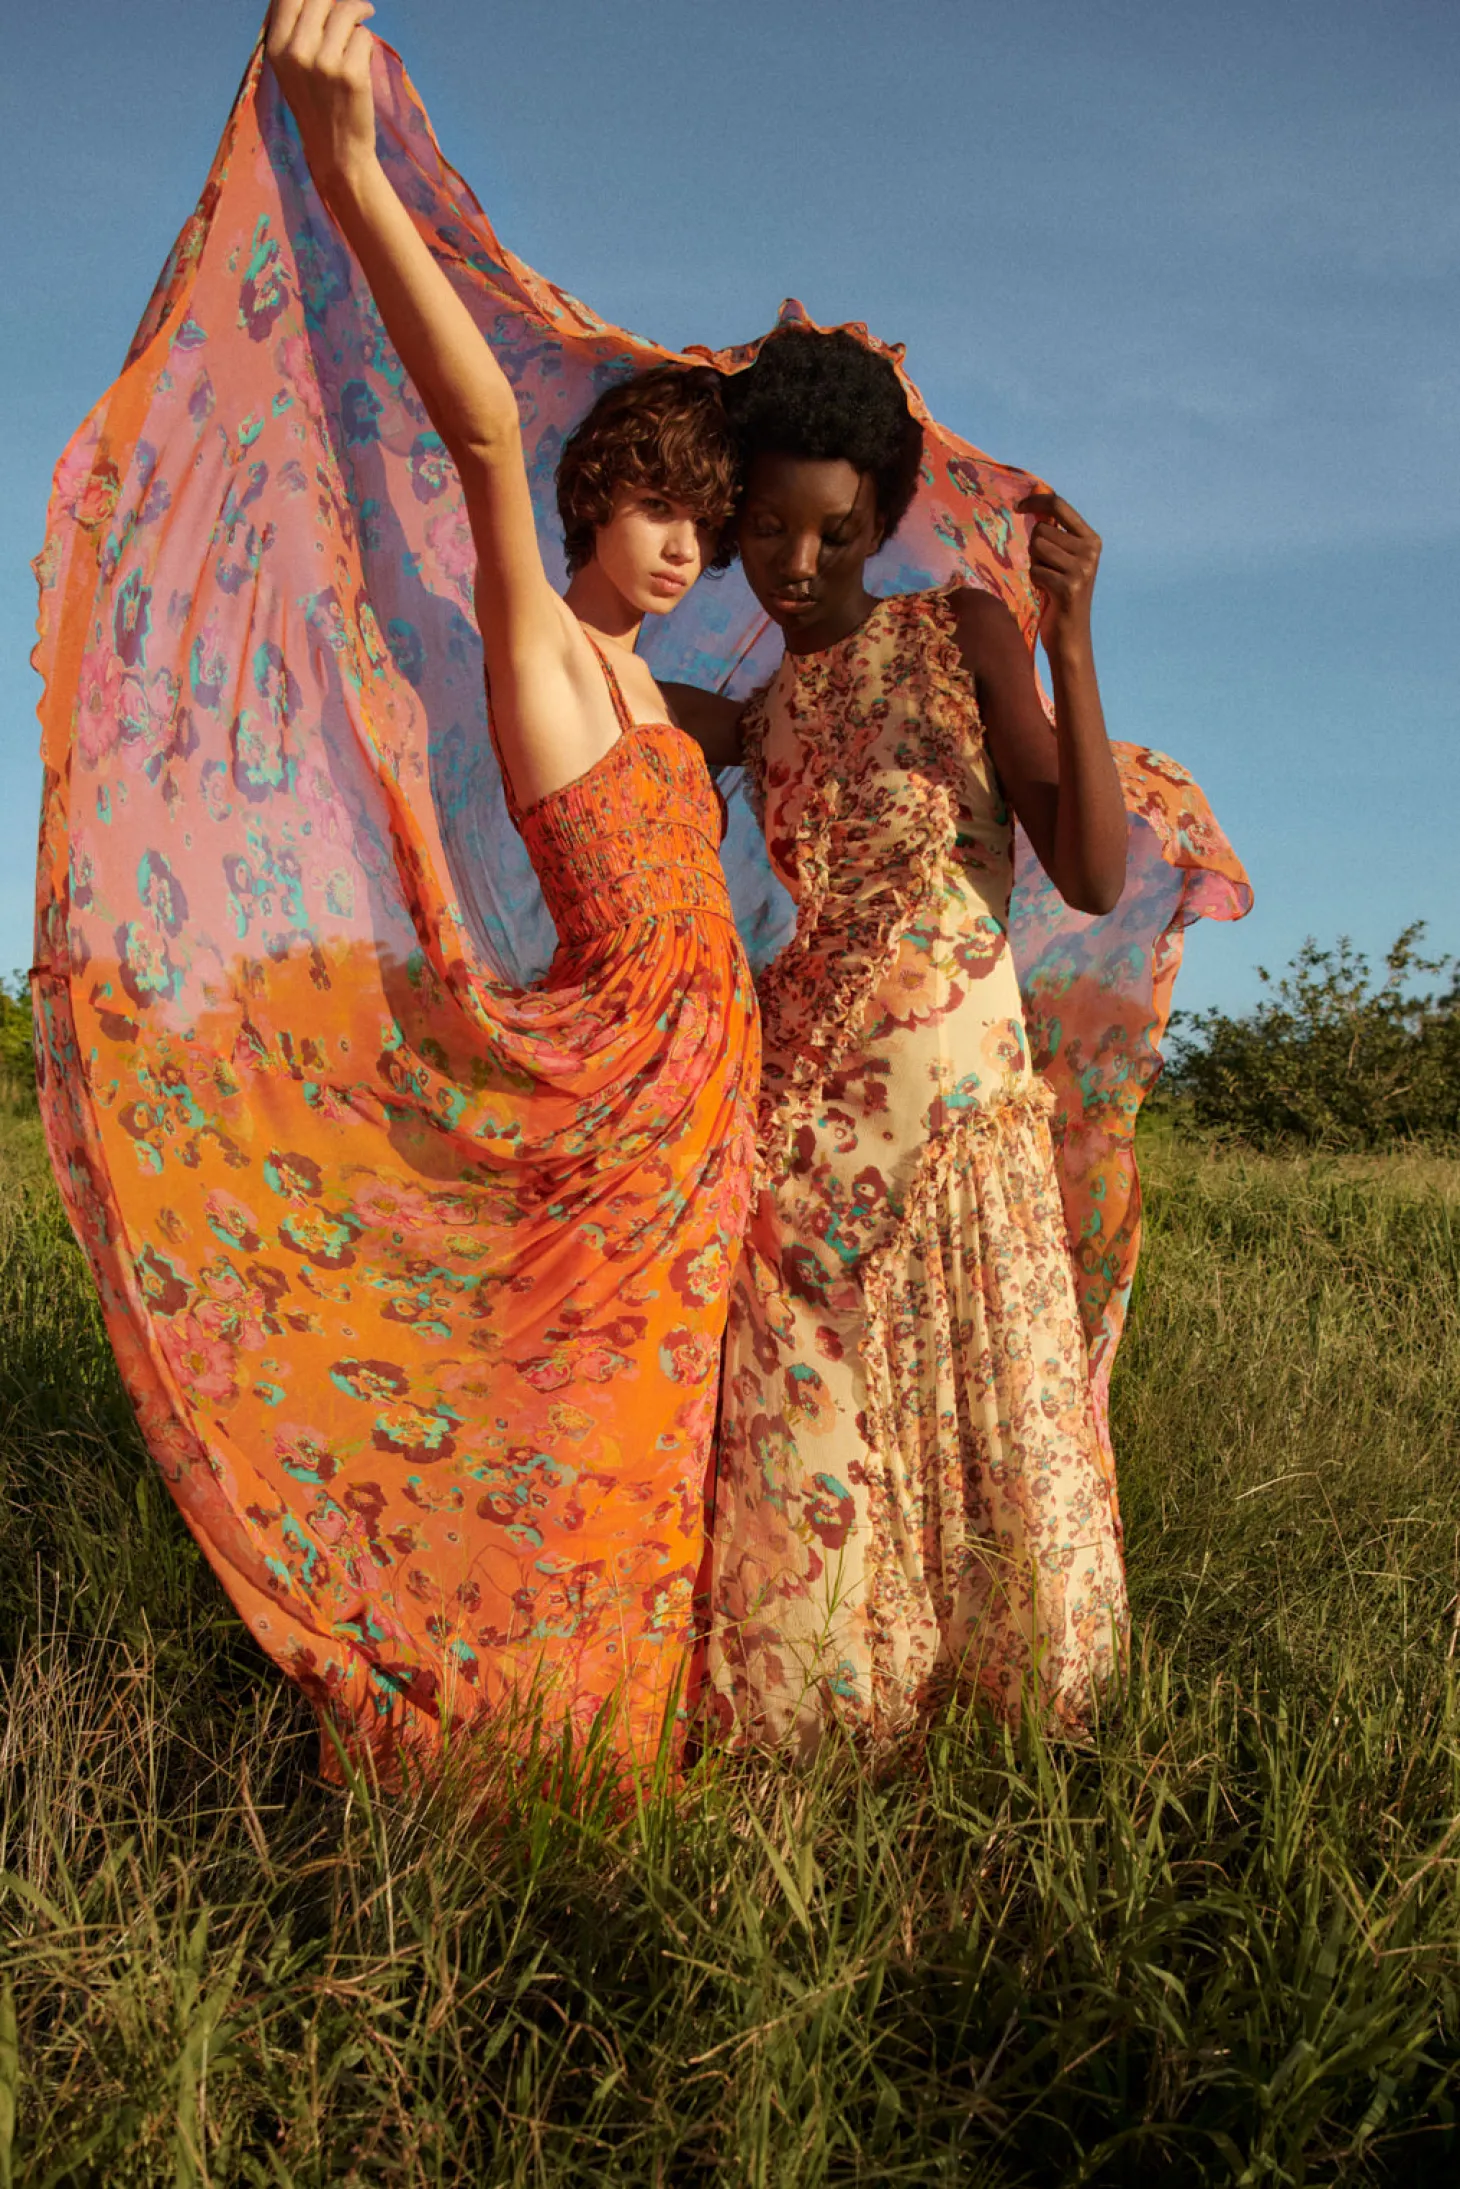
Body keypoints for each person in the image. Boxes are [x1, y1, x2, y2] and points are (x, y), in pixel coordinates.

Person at [31, 0, 759, 1783]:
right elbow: (485, 434)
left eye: (706, 519)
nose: (685, 544)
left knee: (662, 1433)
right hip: (607, 1094)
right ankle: (518, 1754)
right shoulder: (547, 651)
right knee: (569, 1422)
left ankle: (617, 1754)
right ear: (595, 503)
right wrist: (351, 167)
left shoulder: (671, 697)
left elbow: (824, 685)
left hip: (702, 1113)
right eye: (657, 504)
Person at [666, 327, 1151, 1753]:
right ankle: (831, 1718)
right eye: (765, 528)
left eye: (832, 527)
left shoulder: (961, 633)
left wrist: (1070, 639)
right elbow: (584, 679)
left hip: (953, 1113)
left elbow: (1092, 874)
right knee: (806, 1410)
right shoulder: (756, 716)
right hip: (800, 1109)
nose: (797, 561)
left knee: (982, 1394)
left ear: (881, 515)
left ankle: (1007, 1713)